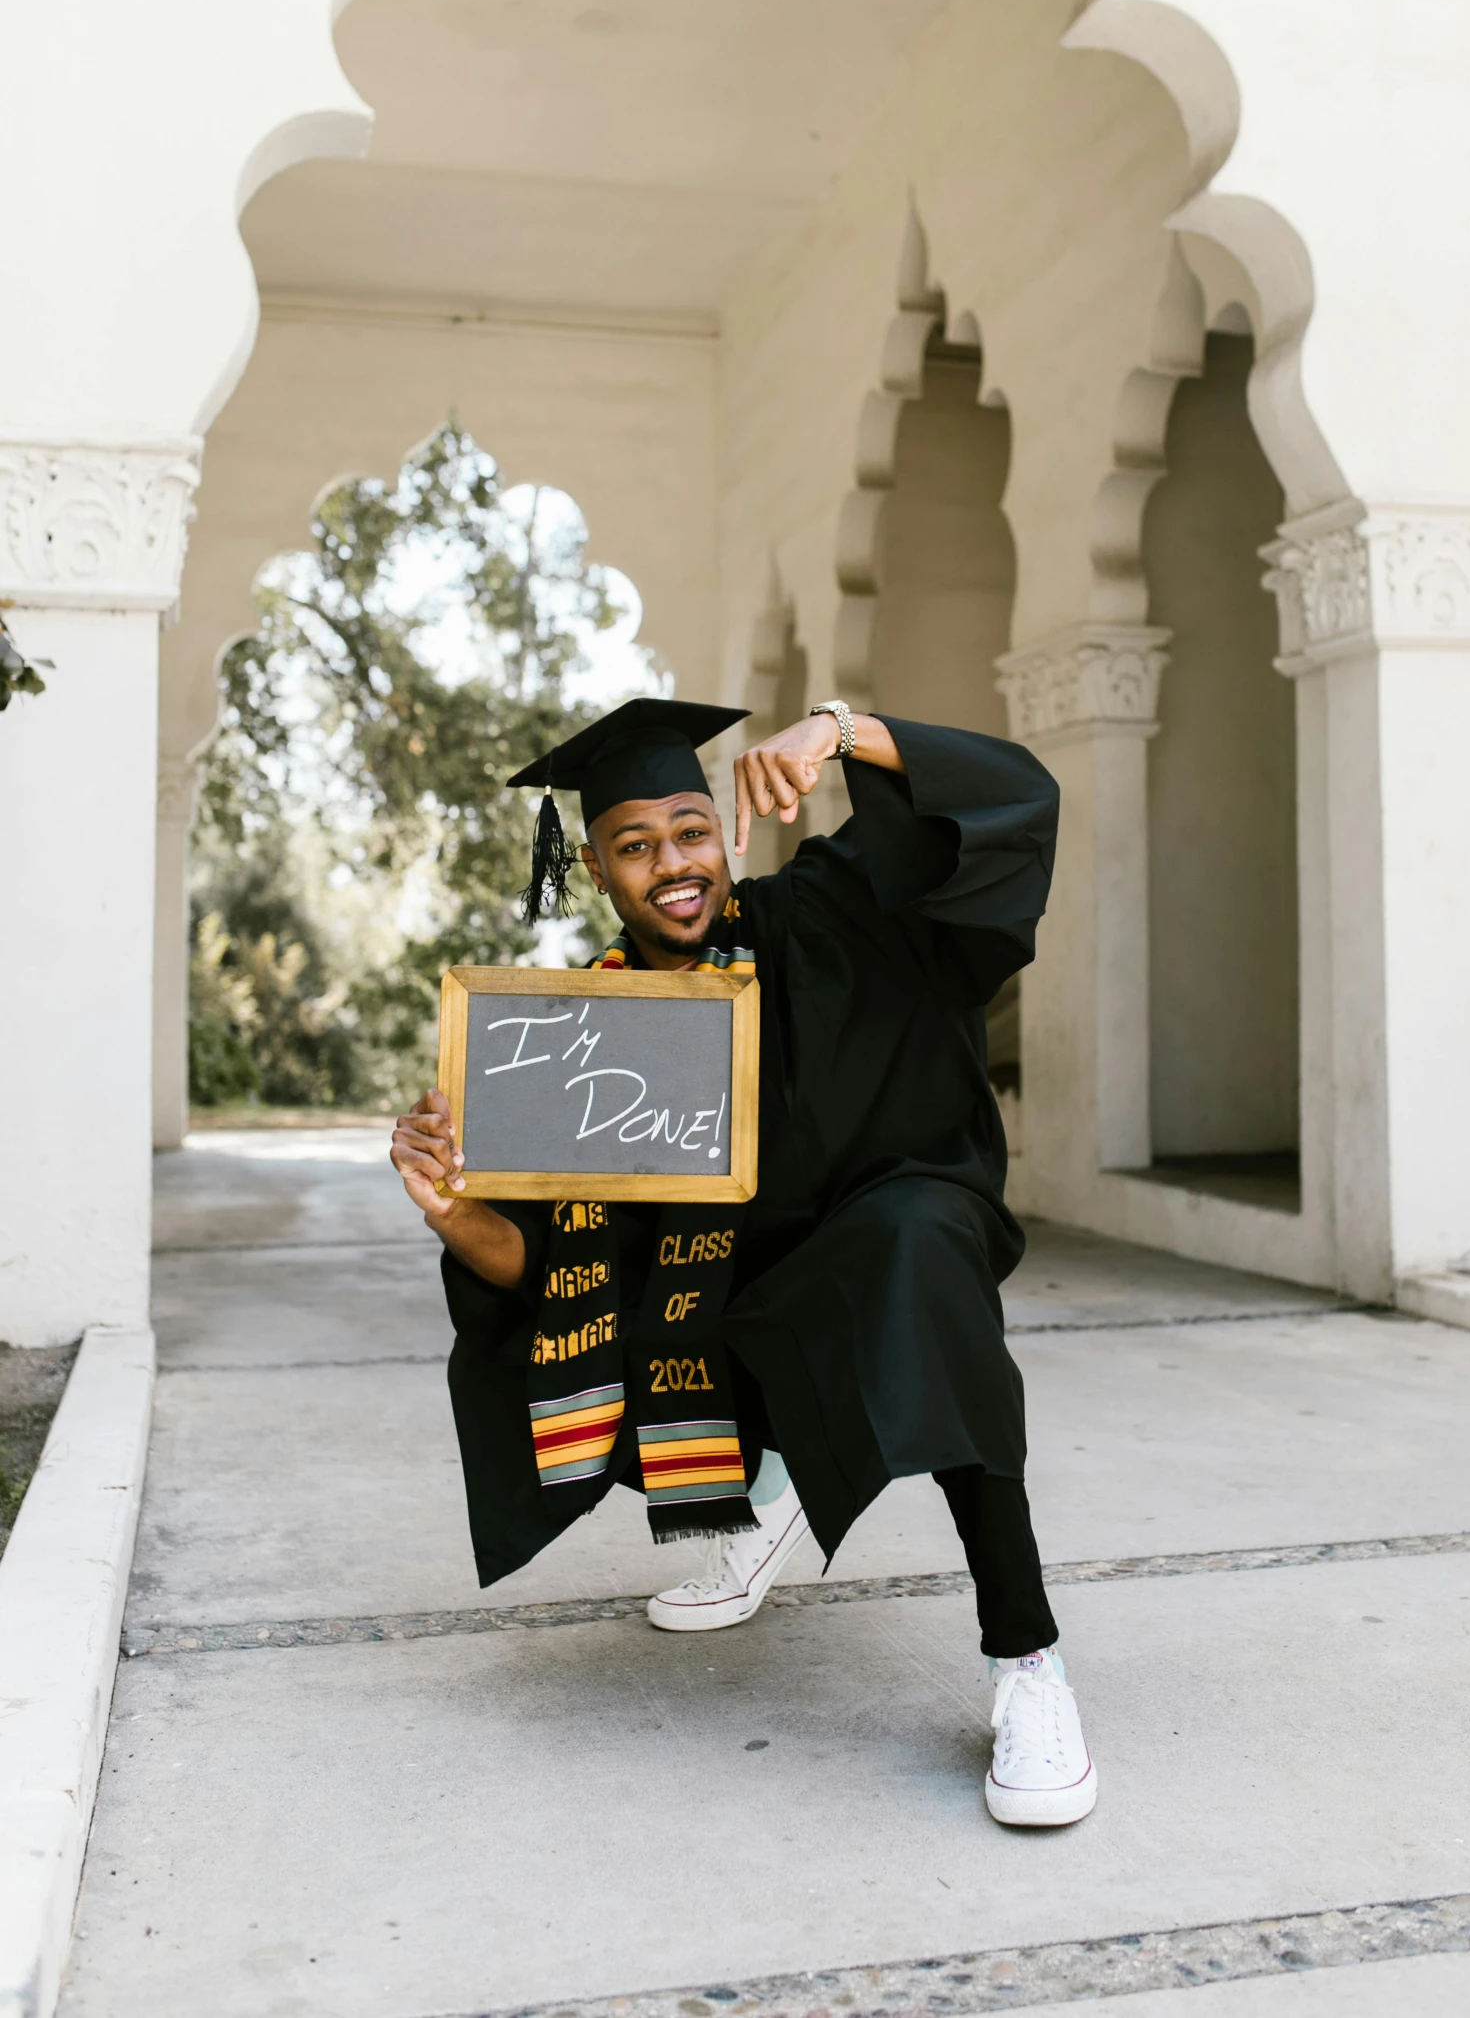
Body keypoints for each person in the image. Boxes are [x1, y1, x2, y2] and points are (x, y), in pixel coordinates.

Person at [390, 697, 1095, 1827]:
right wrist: (449, 1206)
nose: (671, 864)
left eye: (689, 830)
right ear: (594, 864)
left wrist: (840, 729)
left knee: (912, 1264)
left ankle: (1028, 1664)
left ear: (724, 828)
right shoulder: (597, 1020)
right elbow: (546, 1265)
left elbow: (1013, 797)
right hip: (745, 1304)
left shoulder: (835, 902)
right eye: (634, 844)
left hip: (901, 1220)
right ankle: (765, 1499)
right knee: (653, 1307)